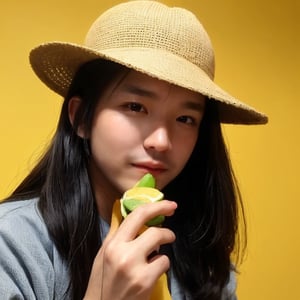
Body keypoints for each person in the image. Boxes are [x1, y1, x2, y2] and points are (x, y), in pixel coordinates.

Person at [0, 1, 268, 299]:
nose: (161, 141)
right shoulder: (12, 245)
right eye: (135, 107)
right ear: (80, 117)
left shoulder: (205, 262)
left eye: (185, 119)